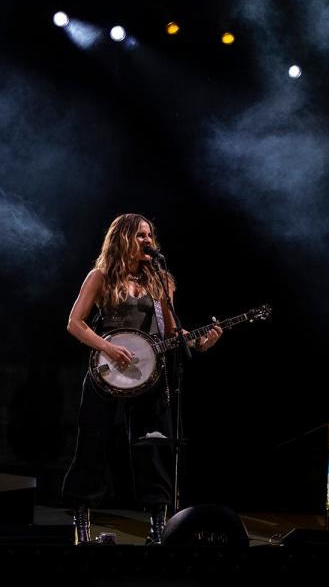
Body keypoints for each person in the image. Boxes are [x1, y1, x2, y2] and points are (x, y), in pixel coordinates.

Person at [62, 214, 223, 544]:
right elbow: (75, 323)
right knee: (93, 446)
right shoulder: (101, 276)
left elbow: (172, 330)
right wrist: (107, 346)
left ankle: (156, 532)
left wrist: (198, 340)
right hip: (106, 372)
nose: (148, 241)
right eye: (140, 235)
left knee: (153, 448)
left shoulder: (161, 281)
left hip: (150, 376)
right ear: (122, 239)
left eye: (150, 235)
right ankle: (82, 529)